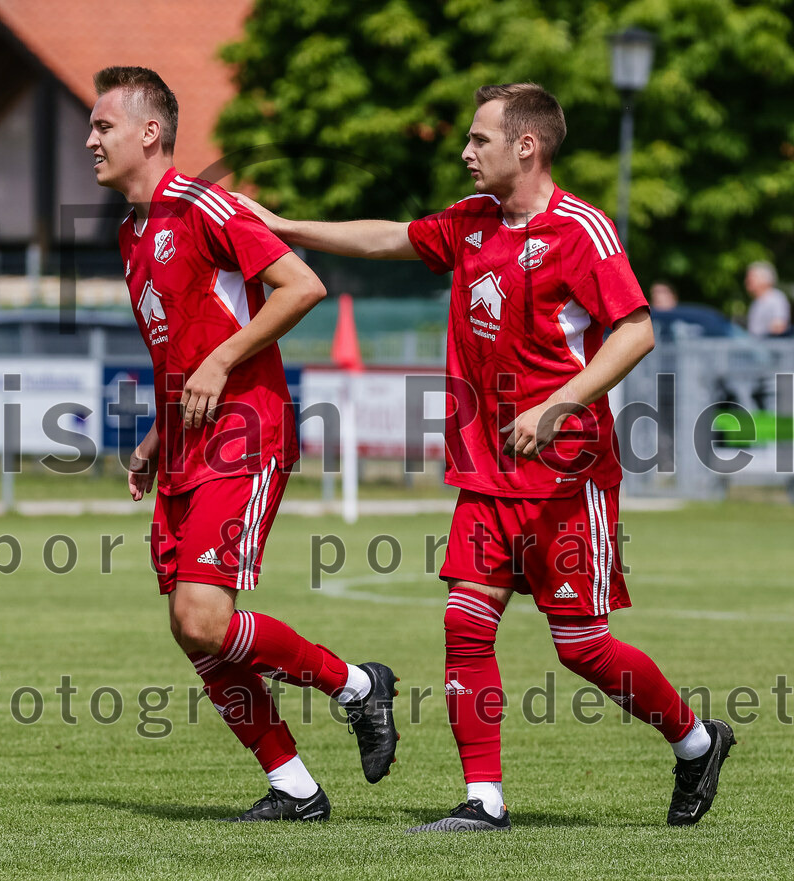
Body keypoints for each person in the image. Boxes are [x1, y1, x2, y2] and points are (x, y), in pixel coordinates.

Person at [239, 82, 734, 832]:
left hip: (569, 475)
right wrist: (283, 226)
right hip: (487, 472)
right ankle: (485, 799)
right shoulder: (471, 223)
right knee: (465, 625)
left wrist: (556, 404)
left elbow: (635, 332)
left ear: (525, 145)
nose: (467, 152)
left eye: (479, 139)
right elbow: (386, 238)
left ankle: (696, 742)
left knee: (583, 648)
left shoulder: (583, 230)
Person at [86, 66, 398, 822]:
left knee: (203, 617)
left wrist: (224, 360)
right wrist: (157, 437)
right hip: (187, 443)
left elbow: (303, 286)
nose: (89, 139)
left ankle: (357, 684)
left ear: (149, 133)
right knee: (192, 630)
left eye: (103, 126)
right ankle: (293, 785)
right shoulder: (133, 232)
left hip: (245, 431)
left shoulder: (205, 205)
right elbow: (179, 352)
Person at [744, 261, 790, 336]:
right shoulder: (756, 301)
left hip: (763, 343)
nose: (747, 281)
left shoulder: (776, 298)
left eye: (751, 277)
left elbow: (779, 327)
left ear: (764, 279)